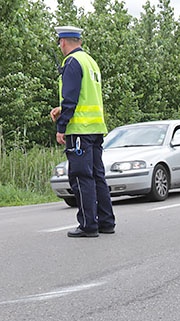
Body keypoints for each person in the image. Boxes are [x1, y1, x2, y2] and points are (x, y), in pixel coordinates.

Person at [50, 25, 115, 237]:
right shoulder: (90, 62)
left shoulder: (71, 62)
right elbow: (86, 97)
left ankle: (88, 225)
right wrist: (64, 109)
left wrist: (62, 127)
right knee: (98, 176)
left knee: (80, 177)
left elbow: (71, 98)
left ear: (63, 42)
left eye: (60, 42)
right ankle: (106, 221)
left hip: (79, 130)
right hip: (95, 128)